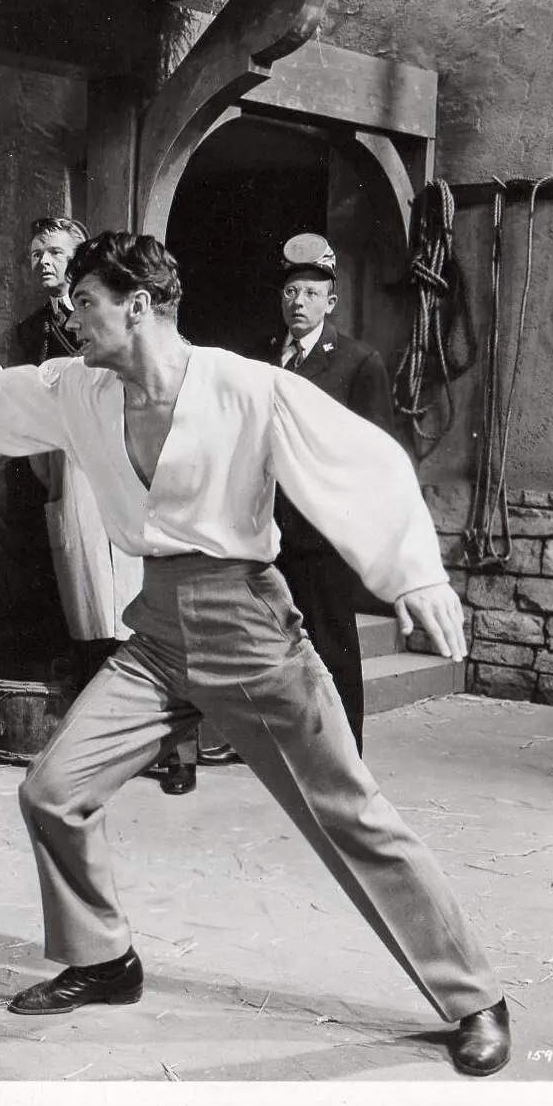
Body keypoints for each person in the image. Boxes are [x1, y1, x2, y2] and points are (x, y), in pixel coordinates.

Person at [0, 232, 512, 1076]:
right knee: (53, 791)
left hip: (250, 628)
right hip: (160, 634)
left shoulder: (244, 386)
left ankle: (474, 996)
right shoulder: (78, 390)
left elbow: (363, 462)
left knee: (350, 812)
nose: (71, 319)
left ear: (137, 305)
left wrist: (413, 576)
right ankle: (104, 957)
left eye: (86, 303)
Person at [0, 218, 186, 794]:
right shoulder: (31, 331)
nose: (46, 262)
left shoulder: (117, 324)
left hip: (124, 461)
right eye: (37, 253)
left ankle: (171, 750)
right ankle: (101, 743)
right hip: (66, 469)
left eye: (57, 253)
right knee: (88, 600)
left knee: (142, 600)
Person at [200, 233, 396, 766]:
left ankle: (342, 755)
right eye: (291, 292)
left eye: (311, 293)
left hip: (320, 532)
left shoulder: (358, 362)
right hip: (262, 527)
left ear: (330, 301)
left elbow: (377, 455)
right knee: (263, 642)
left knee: (330, 646)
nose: (298, 303)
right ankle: (264, 743)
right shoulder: (261, 357)